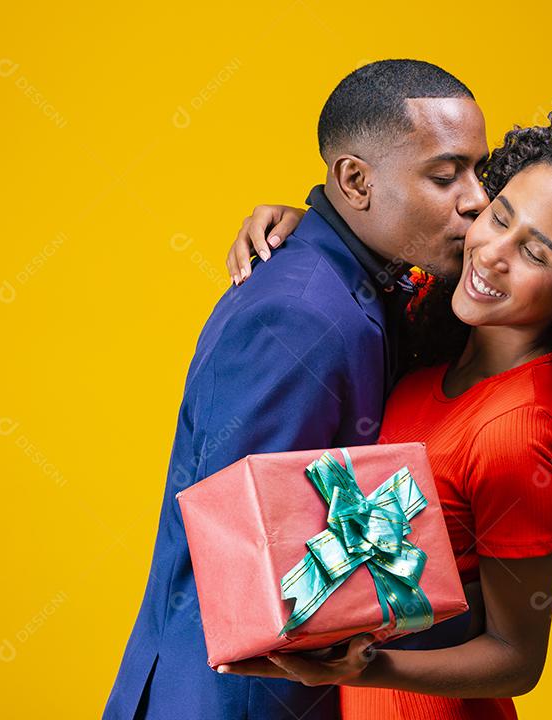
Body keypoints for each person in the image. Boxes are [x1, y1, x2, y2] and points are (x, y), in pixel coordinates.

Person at [218, 106, 552, 719]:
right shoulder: (446, 320)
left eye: (536, 253)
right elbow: (367, 254)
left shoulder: (520, 428)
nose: (491, 254)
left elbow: (516, 657)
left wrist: (371, 661)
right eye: (498, 215)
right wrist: (312, 230)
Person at [101, 59, 491, 720]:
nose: (477, 197)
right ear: (355, 180)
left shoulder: (376, 276)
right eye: (445, 175)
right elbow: (246, 569)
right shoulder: (298, 318)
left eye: (479, 170)